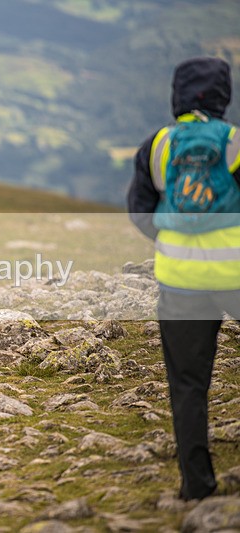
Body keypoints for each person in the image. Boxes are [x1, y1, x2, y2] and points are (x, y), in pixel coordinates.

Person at [127, 56, 240, 501]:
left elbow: (140, 209)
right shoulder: (234, 144)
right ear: (224, 95)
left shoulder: (157, 146)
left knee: (189, 385)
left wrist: (169, 240)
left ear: (177, 95)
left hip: (179, 282)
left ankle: (197, 485)